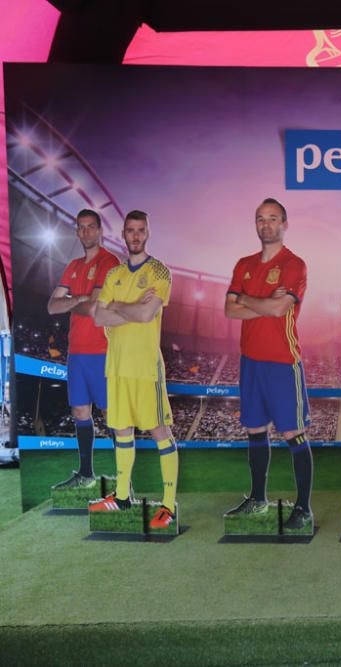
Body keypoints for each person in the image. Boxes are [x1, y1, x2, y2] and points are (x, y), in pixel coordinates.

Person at [222, 198, 313, 529]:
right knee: (254, 430)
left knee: (293, 433)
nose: (266, 225)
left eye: (273, 219)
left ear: (284, 224)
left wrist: (246, 299)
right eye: (260, 219)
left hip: (282, 361)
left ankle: (303, 508)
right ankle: (258, 499)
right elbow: (229, 310)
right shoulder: (243, 264)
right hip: (251, 362)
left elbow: (279, 311)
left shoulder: (294, 265)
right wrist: (260, 302)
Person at [87, 211, 179, 530]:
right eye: (130, 231)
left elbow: (146, 314)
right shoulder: (114, 274)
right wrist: (132, 307)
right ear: (123, 234)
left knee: (158, 431)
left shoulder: (159, 272)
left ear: (148, 233)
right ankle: (122, 497)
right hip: (117, 365)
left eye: (141, 230)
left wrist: (117, 308)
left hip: (144, 366)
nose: (135, 235)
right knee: (122, 430)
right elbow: (98, 318)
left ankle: (168, 506)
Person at [46, 209, 120, 491]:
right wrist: (80, 297)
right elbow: (52, 306)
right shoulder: (73, 265)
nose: (86, 232)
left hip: (103, 350)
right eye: (81, 227)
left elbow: (94, 307)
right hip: (76, 352)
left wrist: (73, 300)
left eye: (91, 227)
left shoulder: (109, 262)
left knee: (111, 414)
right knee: (80, 412)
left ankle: (124, 481)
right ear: (77, 232)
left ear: (100, 230)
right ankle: (86, 474)